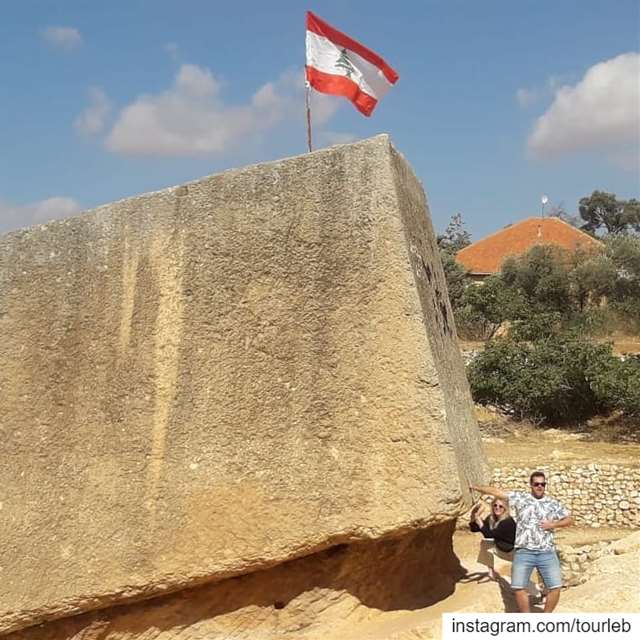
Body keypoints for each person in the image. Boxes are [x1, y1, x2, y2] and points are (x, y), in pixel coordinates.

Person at [471, 471, 573, 613]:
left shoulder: (552, 503)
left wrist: (554, 525)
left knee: (555, 587)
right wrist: (475, 486)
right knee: (518, 588)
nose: (540, 486)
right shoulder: (521, 498)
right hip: (524, 551)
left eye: (543, 484)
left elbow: (569, 519)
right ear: (531, 485)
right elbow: (497, 493)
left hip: (546, 552)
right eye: (536, 484)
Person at [469, 497, 516, 580]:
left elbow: (488, 534)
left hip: (513, 552)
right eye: (495, 505)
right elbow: (474, 529)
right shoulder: (492, 519)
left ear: (505, 509)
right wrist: (473, 516)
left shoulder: (507, 521)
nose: (497, 508)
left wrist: (479, 520)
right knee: (485, 543)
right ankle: (491, 573)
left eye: (501, 506)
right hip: (501, 549)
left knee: (518, 582)